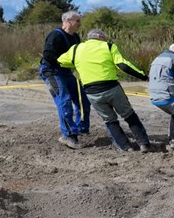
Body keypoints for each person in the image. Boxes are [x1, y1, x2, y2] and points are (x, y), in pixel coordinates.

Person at [57, 29, 152, 153]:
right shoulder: (108, 46)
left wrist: (77, 64)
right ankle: (144, 144)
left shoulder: (76, 49)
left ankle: (126, 147)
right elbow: (123, 65)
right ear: (101, 38)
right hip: (112, 88)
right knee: (129, 115)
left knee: (110, 120)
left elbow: (61, 61)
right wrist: (143, 76)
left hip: (92, 93)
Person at [39, 10, 90, 149]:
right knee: (64, 100)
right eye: (77, 20)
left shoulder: (76, 37)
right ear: (68, 21)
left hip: (66, 72)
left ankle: (81, 129)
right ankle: (68, 135)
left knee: (82, 99)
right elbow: (48, 55)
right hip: (52, 71)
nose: (80, 23)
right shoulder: (55, 35)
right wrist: (64, 63)